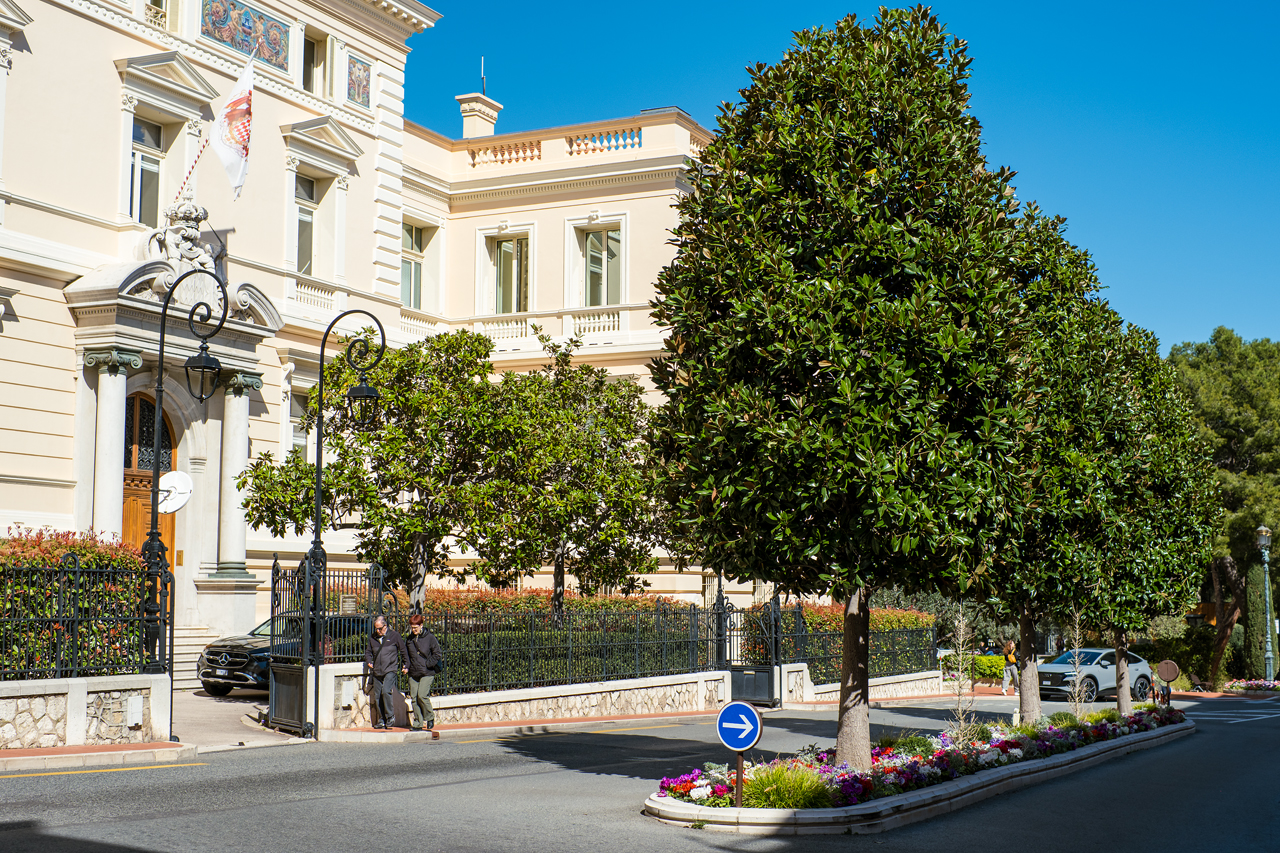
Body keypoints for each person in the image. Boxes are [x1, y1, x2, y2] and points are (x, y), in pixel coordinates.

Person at [363, 615, 408, 729]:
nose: (378, 631)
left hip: (390, 669)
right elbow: (368, 652)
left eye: (380, 628)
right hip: (377, 670)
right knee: (377, 695)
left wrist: (406, 665)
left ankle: (390, 716)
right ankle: (382, 719)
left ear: (385, 626)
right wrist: (369, 661)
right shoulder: (373, 638)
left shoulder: (394, 636)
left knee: (386, 691)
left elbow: (403, 651)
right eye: (376, 629)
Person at [405, 613, 444, 735]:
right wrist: (406, 666)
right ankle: (418, 723)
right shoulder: (409, 639)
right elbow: (406, 655)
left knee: (422, 695)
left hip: (427, 672)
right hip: (413, 672)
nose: (414, 630)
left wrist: (428, 664)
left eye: (416, 627)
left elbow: (437, 653)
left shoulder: (430, 638)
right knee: (414, 698)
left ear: (421, 625)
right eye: (412, 628)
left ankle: (430, 717)